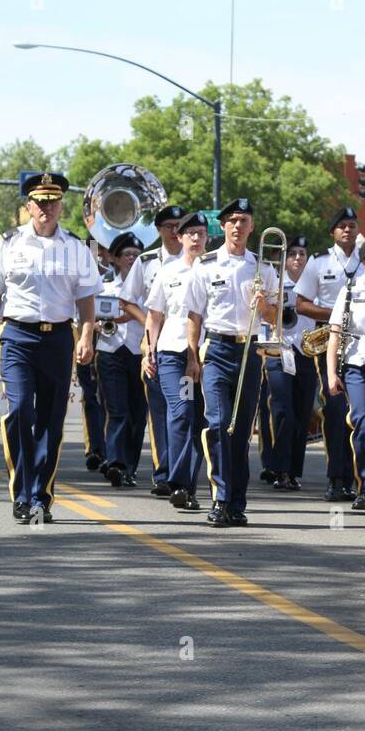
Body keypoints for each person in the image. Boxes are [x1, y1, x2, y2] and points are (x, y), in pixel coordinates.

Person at [0, 172, 99, 524]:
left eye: (52, 201)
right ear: (28, 206)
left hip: (58, 338)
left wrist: (86, 336)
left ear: (61, 205)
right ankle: (22, 493)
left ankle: (42, 495)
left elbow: (86, 299)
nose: (46, 208)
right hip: (17, 337)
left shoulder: (76, 247)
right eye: (39, 202)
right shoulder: (8, 243)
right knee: (18, 412)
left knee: (51, 422)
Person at [184, 197, 279, 528]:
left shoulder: (262, 267)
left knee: (240, 431)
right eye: (232, 220)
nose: (238, 226)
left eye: (244, 220)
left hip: (250, 350)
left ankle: (237, 502)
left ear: (252, 227)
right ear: (222, 226)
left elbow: (275, 317)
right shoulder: (207, 265)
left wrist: (263, 304)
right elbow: (194, 315)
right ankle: (220, 498)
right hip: (218, 349)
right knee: (220, 424)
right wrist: (192, 356)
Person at [142, 211, 209, 512]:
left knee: (200, 420)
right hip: (174, 354)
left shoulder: (213, 268)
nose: (195, 238)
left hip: (209, 353)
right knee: (181, 411)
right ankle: (178, 482)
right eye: (190, 233)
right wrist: (149, 351)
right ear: (179, 237)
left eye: (200, 233)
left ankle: (187, 487)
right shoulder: (168, 272)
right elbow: (154, 315)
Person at [295, 207, 362, 501]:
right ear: (332, 232)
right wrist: (337, 315)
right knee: (335, 410)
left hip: (362, 338)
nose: (347, 230)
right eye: (341, 226)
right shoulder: (318, 262)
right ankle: (337, 478)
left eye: (351, 225)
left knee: (361, 411)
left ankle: (361, 478)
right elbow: (301, 304)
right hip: (328, 340)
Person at [128, 204, 187, 496]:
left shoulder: (199, 260)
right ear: (159, 230)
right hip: (154, 343)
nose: (176, 232)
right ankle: (164, 472)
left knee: (184, 409)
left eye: (180, 226)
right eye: (169, 227)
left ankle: (182, 468)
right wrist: (152, 323)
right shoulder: (148, 261)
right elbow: (127, 300)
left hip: (187, 345)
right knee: (161, 409)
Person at [326, 242, 365, 514]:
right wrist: (330, 373)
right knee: (364, 422)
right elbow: (335, 333)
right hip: (357, 364)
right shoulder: (350, 289)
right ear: (364, 262)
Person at [94, 232, 149, 488]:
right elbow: (86, 318)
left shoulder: (148, 287)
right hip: (110, 350)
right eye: (127, 255)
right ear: (115, 259)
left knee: (138, 413)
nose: (132, 259)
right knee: (118, 410)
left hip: (140, 353)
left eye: (137, 256)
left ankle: (130, 467)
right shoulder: (104, 287)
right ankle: (115, 462)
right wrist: (98, 325)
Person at [258, 233, 308, 490]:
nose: (298, 258)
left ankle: (292, 470)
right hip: (279, 350)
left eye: (302, 254)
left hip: (306, 351)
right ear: (285, 260)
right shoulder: (276, 281)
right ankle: (276, 466)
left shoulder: (312, 283)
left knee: (301, 412)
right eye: (293, 254)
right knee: (280, 410)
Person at [78, 236, 110, 473]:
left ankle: (110, 449)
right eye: (93, 251)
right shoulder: (77, 276)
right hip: (87, 340)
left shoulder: (114, 276)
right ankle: (95, 449)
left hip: (112, 345)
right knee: (91, 398)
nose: (97, 257)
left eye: (100, 252)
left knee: (109, 400)